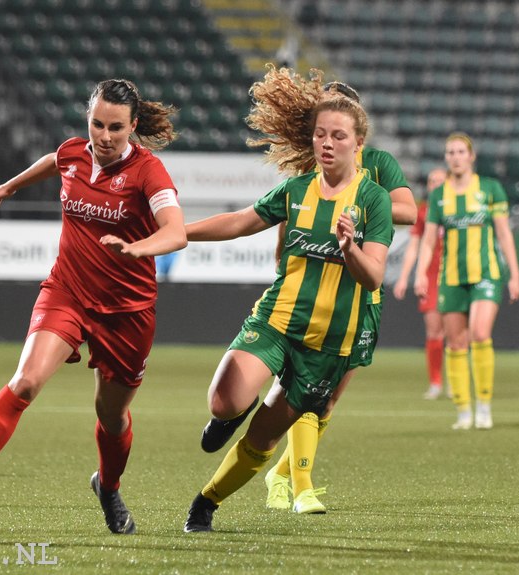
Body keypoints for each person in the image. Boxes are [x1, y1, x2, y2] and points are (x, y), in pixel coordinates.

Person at [0, 79, 187, 535]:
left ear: (133, 126)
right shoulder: (74, 153)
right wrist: (9, 186)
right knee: (25, 382)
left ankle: (109, 486)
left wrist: (141, 249)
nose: (103, 136)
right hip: (68, 292)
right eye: (96, 124)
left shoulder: (148, 172)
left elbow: (176, 231)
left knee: (112, 416)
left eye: (115, 128)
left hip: (127, 310)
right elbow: (54, 162)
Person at [183, 66, 393, 532]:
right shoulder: (297, 190)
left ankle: (206, 502)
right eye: (320, 134)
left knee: (263, 438)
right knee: (223, 401)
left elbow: (374, 277)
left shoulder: (374, 201)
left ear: (359, 144)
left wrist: (350, 249)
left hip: (330, 345)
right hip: (279, 318)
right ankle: (228, 417)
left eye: (338, 135)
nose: (327, 142)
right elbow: (240, 220)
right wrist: (177, 232)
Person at [258, 81, 416, 514]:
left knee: (328, 398)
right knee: (298, 387)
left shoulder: (378, 165)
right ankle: (301, 485)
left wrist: (366, 204)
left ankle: (281, 473)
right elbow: (288, 218)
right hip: (311, 291)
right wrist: (280, 265)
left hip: (362, 295)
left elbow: (409, 210)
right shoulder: (315, 166)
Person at [414, 132, 519, 430]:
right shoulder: (438, 196)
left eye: (461, 151)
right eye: (451, 153)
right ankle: (464, 410)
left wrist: (515, 273)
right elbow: (426, 241)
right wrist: (421, 272)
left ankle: (484, 405)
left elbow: (503, 233)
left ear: (471, 156)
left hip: (486, 274)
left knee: (480, 333)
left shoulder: (489, 189)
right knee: (457, 343)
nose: (456, 157)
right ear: (447, 159)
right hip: (451, 279)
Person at [393, 167, 449, 399]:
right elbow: (414, 246)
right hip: (433, 277)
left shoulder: (460, 208)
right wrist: (405, 277)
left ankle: (457, 382)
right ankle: (436, 382)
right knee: (434, 329)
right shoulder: (424, 212)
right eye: (431, 181)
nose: (434, 184)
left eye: (439, 181)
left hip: (458, 275)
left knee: (458, 335)